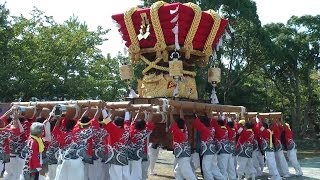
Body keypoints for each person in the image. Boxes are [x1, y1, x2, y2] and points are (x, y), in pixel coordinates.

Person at [55, 106, 95, 180]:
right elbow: (86, 121)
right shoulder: (87, 132)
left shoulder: (73, 130)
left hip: (64, 157)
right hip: (77, 160)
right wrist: (89, 109)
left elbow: (81, 120)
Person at [192, 112, 225, 180]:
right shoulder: (212, 128)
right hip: (213, 150)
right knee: (214, 168)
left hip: (208, 152)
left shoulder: (204, 129)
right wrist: (207, 114)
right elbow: (212, 122)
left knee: (206, 168)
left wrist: (195, 116)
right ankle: (222, 178)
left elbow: (198, 124)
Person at [101, 108, 131, 180]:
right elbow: (127, 121)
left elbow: (106, 119)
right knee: (125, 174)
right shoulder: (127, 129)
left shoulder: (114, 129)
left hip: (115, 157)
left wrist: (102, 109)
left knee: (116, 175)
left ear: (115, 123)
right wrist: (127, 112)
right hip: (125, 156)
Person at [170, 107, 197, 180]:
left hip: (183, 155)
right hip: (185, 154)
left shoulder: (177, 131)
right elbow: (182, 119)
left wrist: (170, 113)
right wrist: (180, 109)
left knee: (187, 172)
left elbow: (172, 122)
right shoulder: (185, 129)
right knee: (177, 171)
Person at [128, 108, 155, 180]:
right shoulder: (145, 132)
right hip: (141, 154)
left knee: (131, 170)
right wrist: (151, 111)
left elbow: (133, 121)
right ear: (144, 126)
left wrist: (139, 112)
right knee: (140, 172)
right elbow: (149, 121)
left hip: (130, 154)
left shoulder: (131, 131)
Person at [0, 107, 24, 178]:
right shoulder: (5, 131)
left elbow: (2, 119)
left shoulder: (4, 129)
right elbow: (17, 130)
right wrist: (16, 118)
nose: (3, 121)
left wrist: (10, 111)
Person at [211, 113, 234, 180]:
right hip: (228, 150)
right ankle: (233, 178)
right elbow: (224, 122)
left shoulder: (219, 129)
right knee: (230, 167)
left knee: (222, 167)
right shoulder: (226, 129)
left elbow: (214, 123)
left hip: (222, 151)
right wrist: (219, 115)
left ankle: (224, 178)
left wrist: (211, 115)